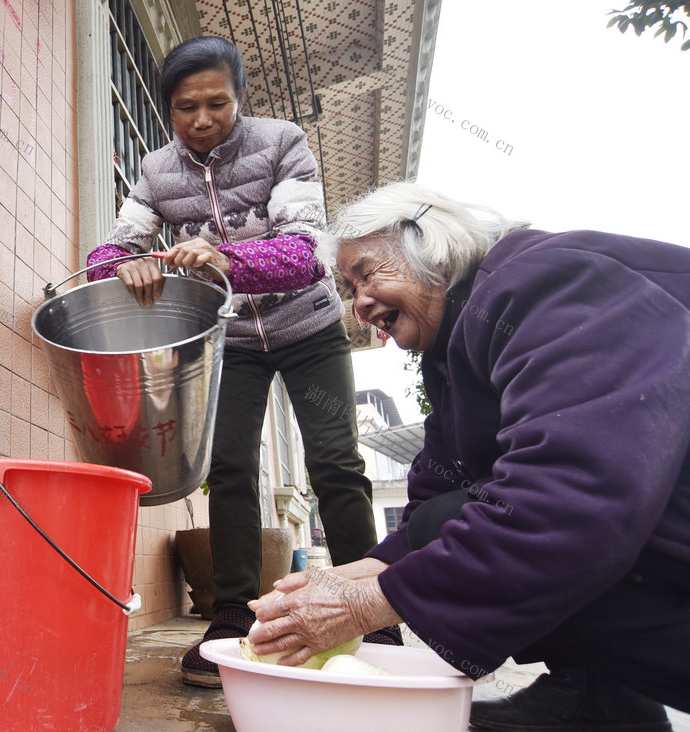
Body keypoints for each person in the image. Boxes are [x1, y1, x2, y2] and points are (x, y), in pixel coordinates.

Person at [247, 180, 690, 730]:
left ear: (425, 240)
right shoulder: (456, 349)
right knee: (445, 518)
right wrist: (341, 582)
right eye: (348, 286)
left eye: (365, 274)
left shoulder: (542, 282)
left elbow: (575, 494)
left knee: (529, 521)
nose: (358, 305)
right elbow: (436, 501)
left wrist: (367, 605)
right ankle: (599, 697)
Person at [86, 36, 393, 688]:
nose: (201, 120)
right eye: (184, 107)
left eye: (216, 104)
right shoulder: (155, 171)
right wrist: (129, 266)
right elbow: (107, 256)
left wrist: (228, 260)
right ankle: (229, 616)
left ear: (239, 98)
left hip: (307, 327)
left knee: (335, 463)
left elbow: (308, 250)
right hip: (231, 345)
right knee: (226, 469)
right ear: (169, 109)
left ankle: (378, 615)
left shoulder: (282, 143)